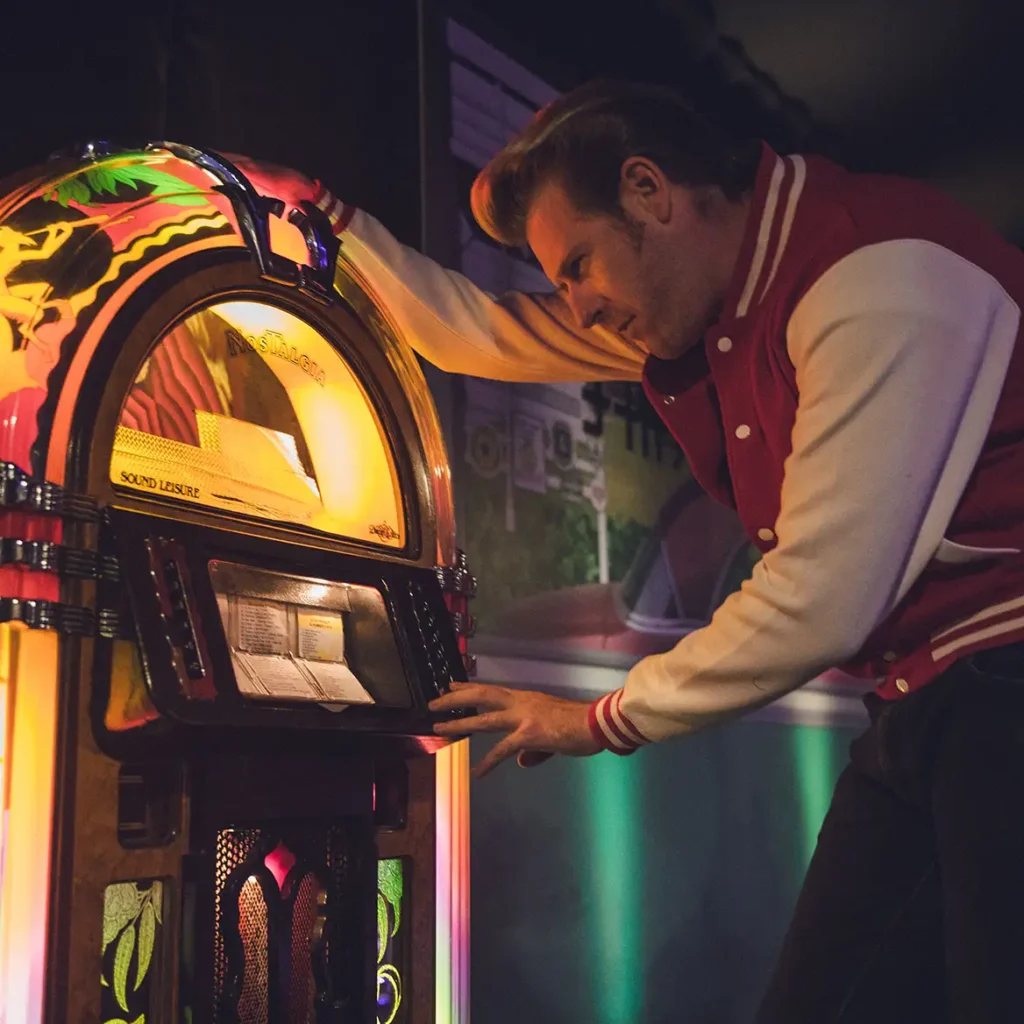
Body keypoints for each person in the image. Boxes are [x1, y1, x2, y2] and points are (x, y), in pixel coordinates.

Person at [231, 80, 1024, 1022]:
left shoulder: (871, 277)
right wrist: (318, 215)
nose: (578, 308)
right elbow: (477, 332)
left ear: (649, 192)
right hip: (931, 703)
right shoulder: (725, 294)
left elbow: (822, 596)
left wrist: (596, 719)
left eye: (579, 266)